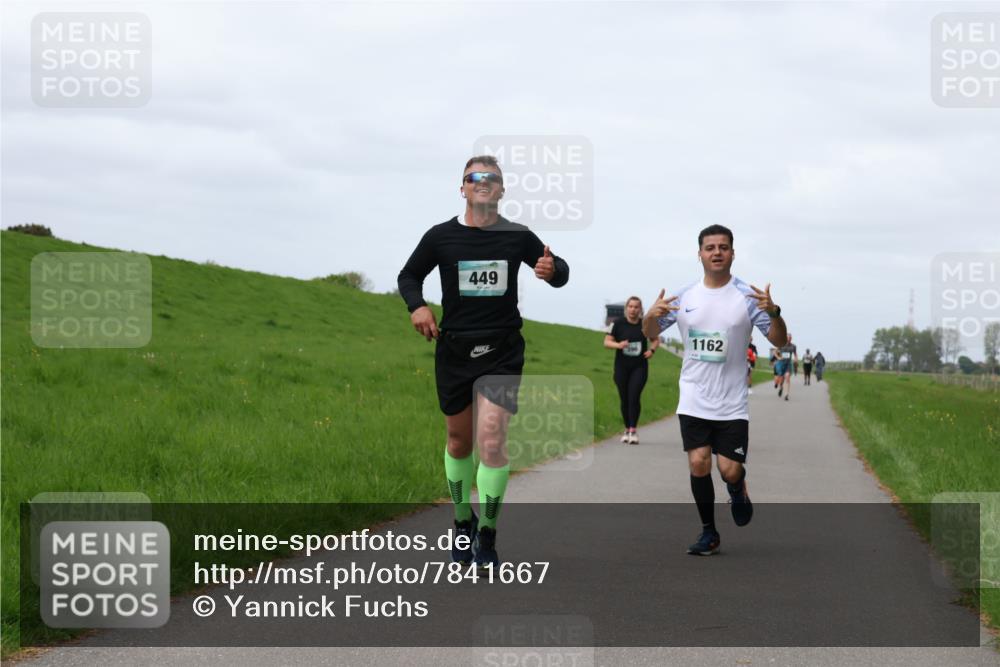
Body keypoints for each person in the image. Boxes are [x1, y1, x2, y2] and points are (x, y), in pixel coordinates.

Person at [397, 155, 570, 569]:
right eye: (474, 177)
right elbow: (409, 276)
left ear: (501, 190)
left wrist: (552, 270)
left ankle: (488, 535)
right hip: (455, 349)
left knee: (491, 439)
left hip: (502, 349)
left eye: (491, 178)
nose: (483, 182)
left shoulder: (517, 236)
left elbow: (559, 269)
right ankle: (462, 523)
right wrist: (416, 307)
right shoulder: (440, 237)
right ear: (463, 188)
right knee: (459, 441)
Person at [643, 224, 787, 556]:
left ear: (732, 253)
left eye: (723, 247)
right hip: (693, 395)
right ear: (700, 254)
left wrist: (774, 313)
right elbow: (650, 331)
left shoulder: (749, 299)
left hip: (731, 401)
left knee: (729, 469)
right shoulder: (684, 297)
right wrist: (650, 316)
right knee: (698, 463)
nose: (717, 252)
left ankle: (737, 488)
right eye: (710, 247)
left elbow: (779, 340)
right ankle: (709, 532)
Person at [605, 296, 659, 444]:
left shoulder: (645, 324)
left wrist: (652, 351)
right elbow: (607, 341)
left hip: (639, 367)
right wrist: (619, 345)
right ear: (626, 308)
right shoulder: (617, 323)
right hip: (622, 367)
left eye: (636, 307)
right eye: (630, 306)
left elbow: (655, 339)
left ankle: (633, 431)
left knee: (634, 397)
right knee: (624, 399)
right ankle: (627, 428)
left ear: (640, 309)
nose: (633, 309)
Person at [776, 334, 798, 401]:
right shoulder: (781, 344)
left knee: (787, 377)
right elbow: (775, 352)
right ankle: (781, 388)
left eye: (790, 338)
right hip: (782, 363)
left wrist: (795, 359)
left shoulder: (793, 346)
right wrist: (778, 357)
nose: (789, 339)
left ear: (791, 339)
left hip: (788, 364)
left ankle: (786, 395)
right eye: (788, 338)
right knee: (781, 379)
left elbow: (795, 354)